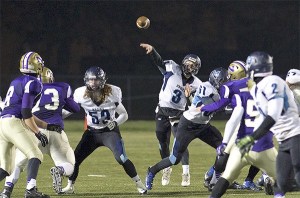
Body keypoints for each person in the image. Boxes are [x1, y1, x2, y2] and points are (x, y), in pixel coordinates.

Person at [60, 66, 147, 195]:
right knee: (75, 159)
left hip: (109, 132)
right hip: (91, 133)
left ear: (102, 80)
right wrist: (53, 116)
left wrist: (115, 123)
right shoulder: (80, 93)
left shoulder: (113, 92)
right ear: (86, 80)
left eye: (96, 80)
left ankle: (140, 184)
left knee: (121, 158)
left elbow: (124, 114)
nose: (93, 83)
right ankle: (70, 186)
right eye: (90, 80)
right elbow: (69, 111)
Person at [0, 67, 81, 197]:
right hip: (55, 130)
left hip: (29, 128)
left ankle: (6, 190)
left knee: (16, 163)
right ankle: (58, 170)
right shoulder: (62, 87)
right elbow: (75, 108)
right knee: (70, 164)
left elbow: (26, 112)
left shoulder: (27, 85)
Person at [145, 67, 229, 190]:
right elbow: (217, 105)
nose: (225, 84)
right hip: (188, 125)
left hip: (203, 125)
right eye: (223, 81)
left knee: (224, 149)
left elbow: (198, 91)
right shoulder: (208, 89)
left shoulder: (208, 87)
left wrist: (191, 91)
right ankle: (152, 171)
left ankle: (211, 175)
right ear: (216, 80)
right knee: (174, 159)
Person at [208, 62, 280, 198]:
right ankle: (266, 179)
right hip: (259, 141)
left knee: (226, 173)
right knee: (279, 177)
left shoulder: (236, 91)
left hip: (241, 142)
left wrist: (224, 142)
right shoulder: (267, 92)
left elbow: (233, 116)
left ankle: (213, 179)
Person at [237, 51, 300, 198]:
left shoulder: (273, 82)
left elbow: (273, 115)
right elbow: (264, 118)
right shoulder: (260, 88)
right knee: (280, 185)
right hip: (284, 141)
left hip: (295, 135)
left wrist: (252, 137)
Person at [140, 43, 202, 186]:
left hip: (178, 114)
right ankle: (166, 168)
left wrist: (189, 96)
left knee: (181, 142)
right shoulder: (172, 68)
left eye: (192, 65)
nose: (189, 67)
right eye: (187, 64)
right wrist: (152, 52)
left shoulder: (198, 84)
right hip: (162, 110)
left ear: (196, 68)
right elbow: (159, 62)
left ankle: (185, 173)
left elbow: (196, 104)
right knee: (162, 142)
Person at [0, 52, 56, 198]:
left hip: (3, 124)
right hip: (14, 123)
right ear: (37, 65)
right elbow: (25, 112)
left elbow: (25, 112)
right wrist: (38, 132)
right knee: (36, 154)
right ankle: (31, 190)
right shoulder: (34, 83)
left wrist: (46, 125)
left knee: (5, 168)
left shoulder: (16, 81)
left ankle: (6, 194)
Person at [200, 61, 262, 191]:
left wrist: (203, 108)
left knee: (228, 151)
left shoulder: (230, 86)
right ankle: (215, 178)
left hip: (243, 121)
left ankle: (213, 178)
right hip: (245, 122)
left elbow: (221, 105)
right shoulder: (250, 84)